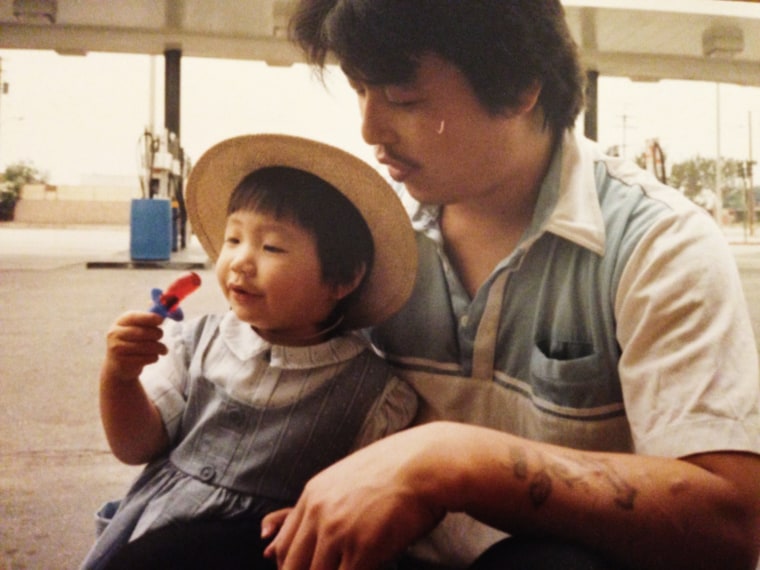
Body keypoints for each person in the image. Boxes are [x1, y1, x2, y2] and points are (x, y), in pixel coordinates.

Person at [260, 1, 760, 569]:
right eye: (359, 91)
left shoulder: (655, 245)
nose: (370, 128)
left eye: (403, 98)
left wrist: (456, 460)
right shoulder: (371, 241)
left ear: (521, 87)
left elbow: (729, 524)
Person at [80, 134, 419, 570]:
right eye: (233, 238)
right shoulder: (193, 342)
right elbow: (135, 445)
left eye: (271, 246)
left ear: (343, 279)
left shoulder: (375, 394)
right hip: (159, 545)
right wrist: (119, 377)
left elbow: (365, 506)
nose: (240, 260)